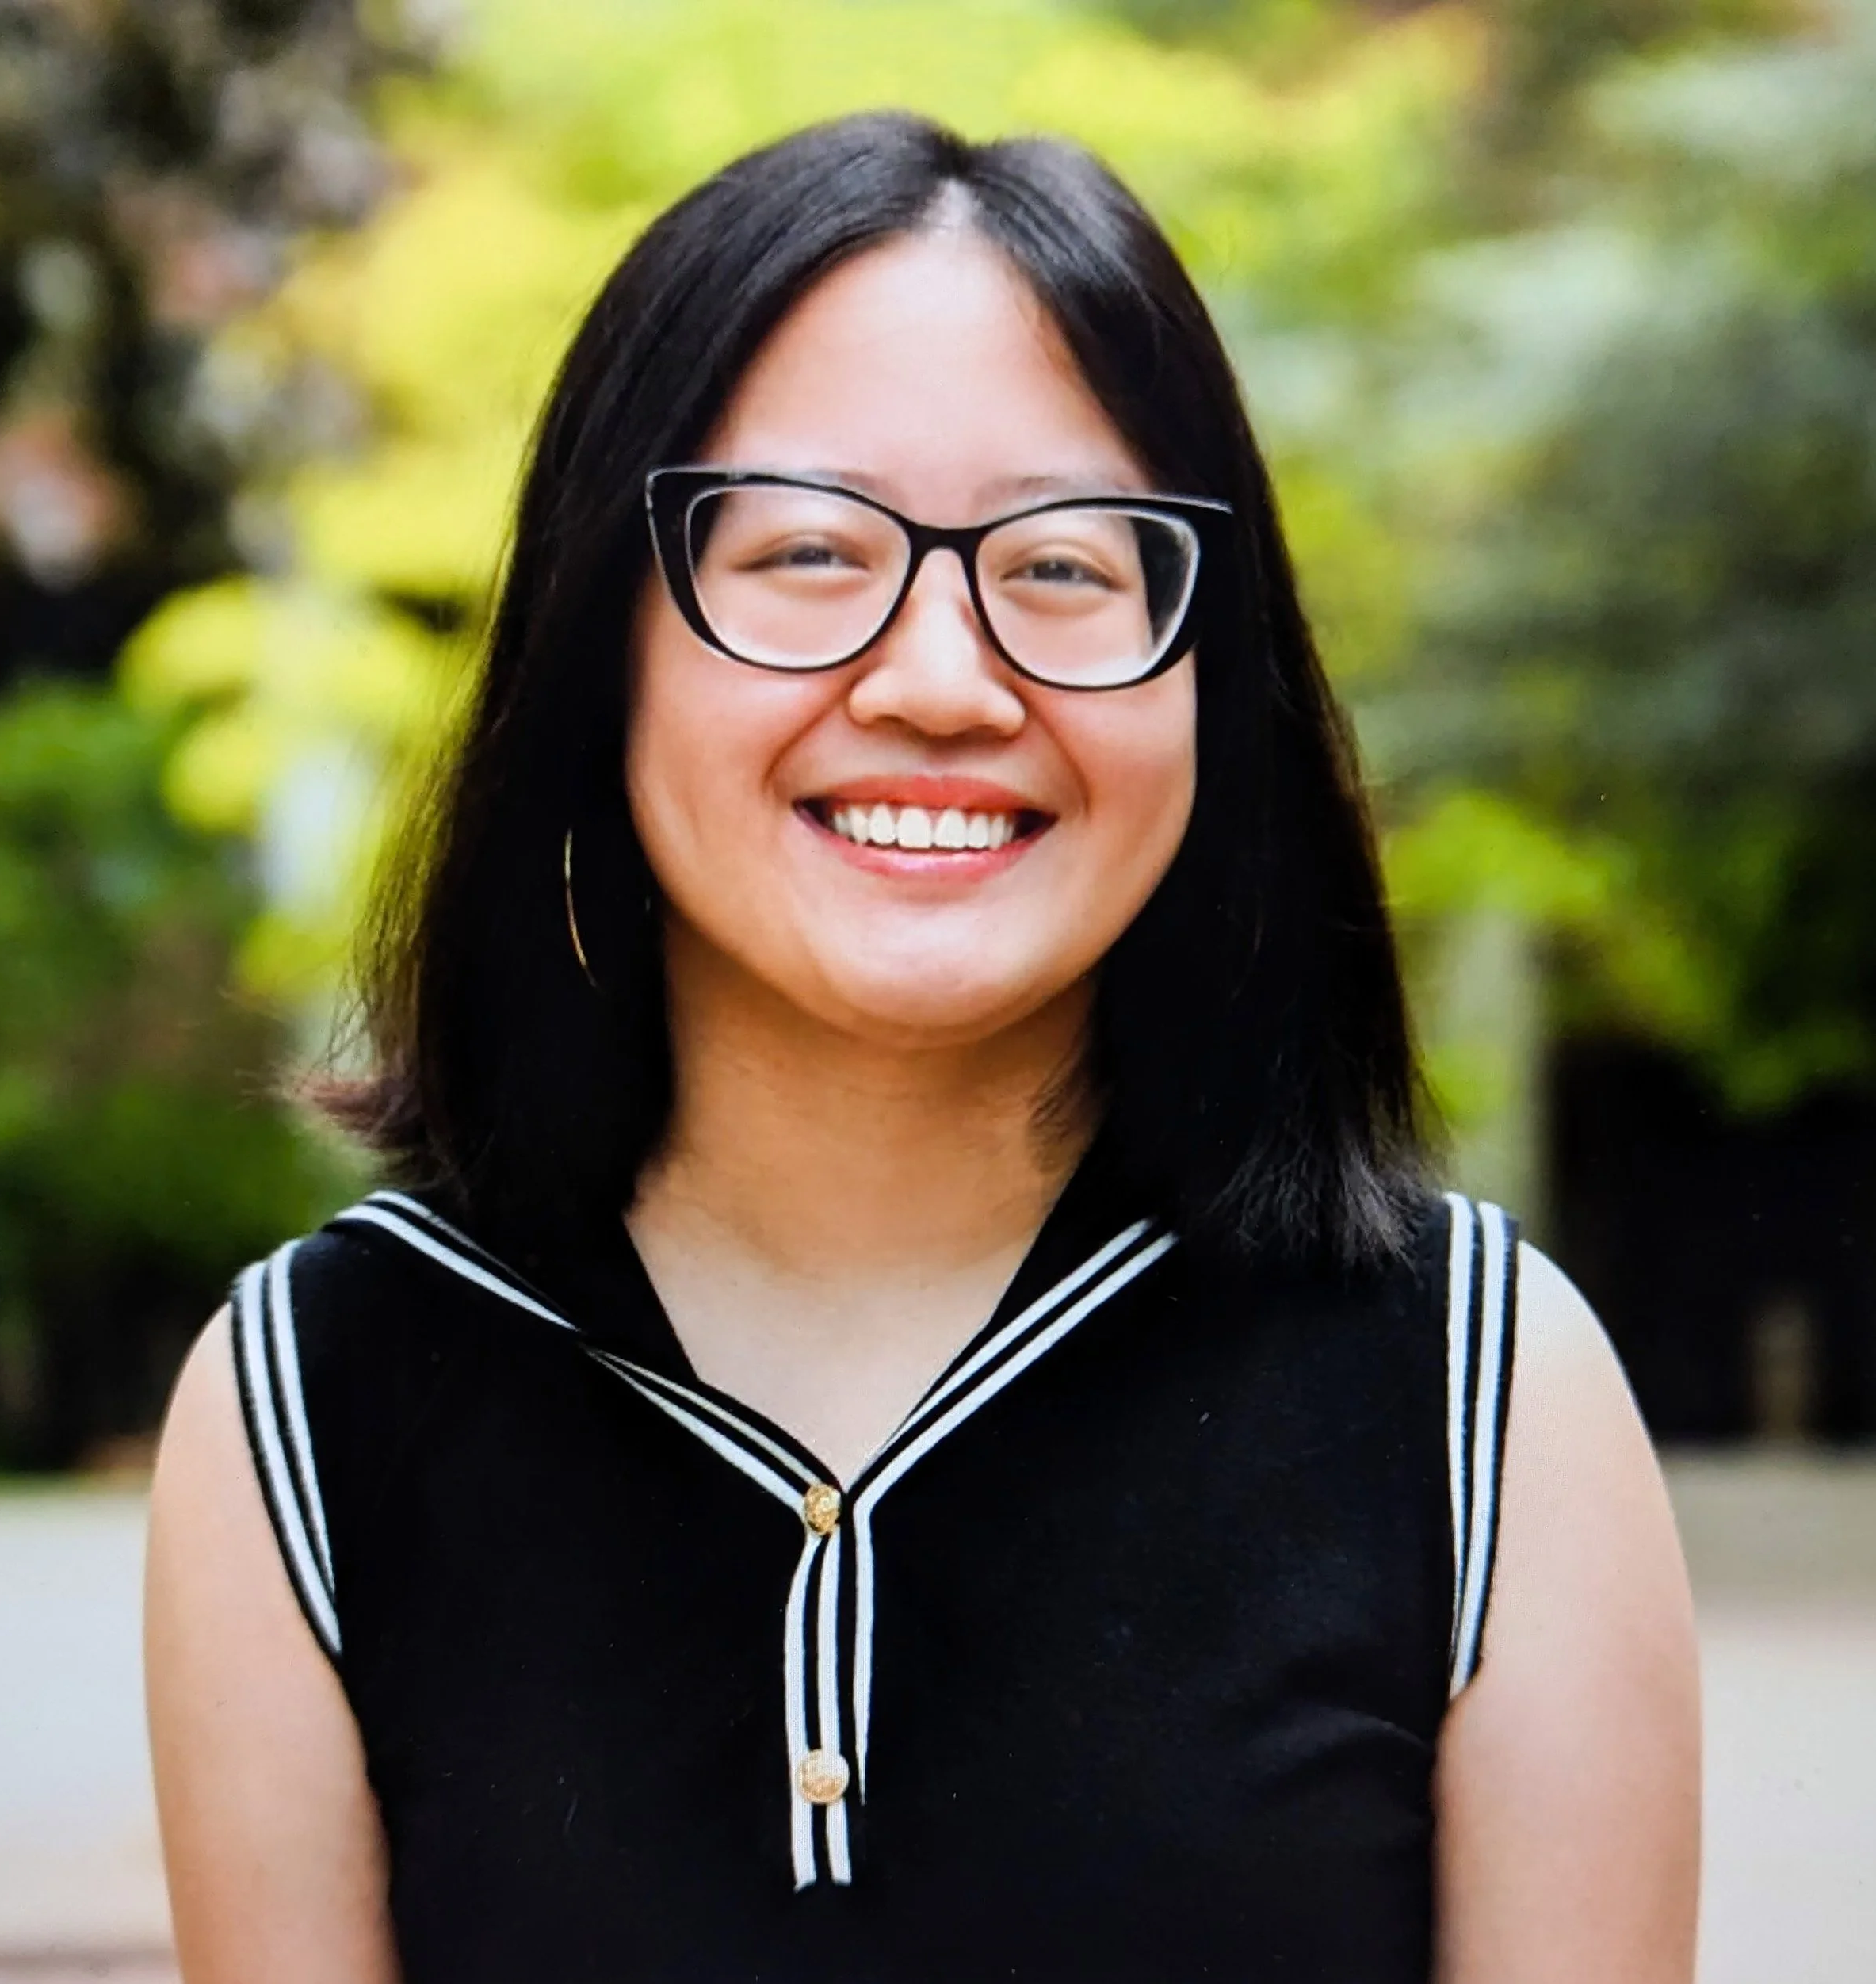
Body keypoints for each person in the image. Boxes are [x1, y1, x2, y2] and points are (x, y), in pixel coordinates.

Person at [143, 113, 1699, 1983]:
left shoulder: (1482, 1396)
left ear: (1213, 679)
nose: (942, 683)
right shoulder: (309, 1403)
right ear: (596, 637)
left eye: (1063, 568)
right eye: (807, 550)